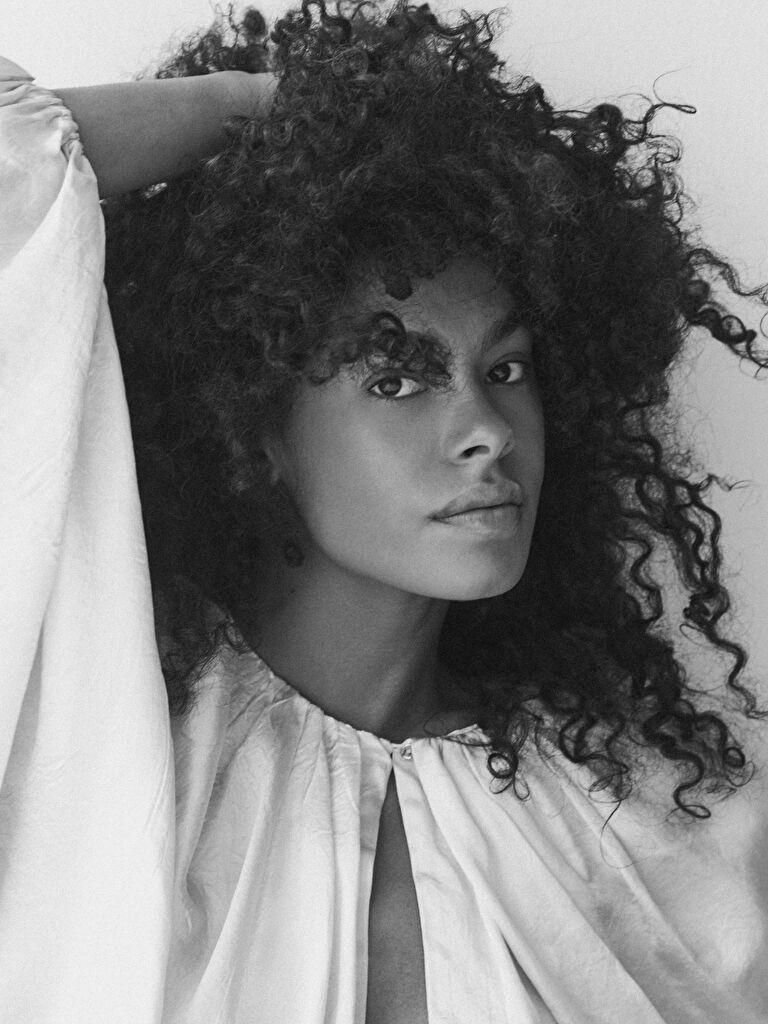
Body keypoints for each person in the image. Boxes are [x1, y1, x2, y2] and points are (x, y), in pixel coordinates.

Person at [2, 1, 768, 1021]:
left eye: (506, 368)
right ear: (255, 426)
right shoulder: (103, 748)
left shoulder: (657, 829)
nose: (486, 430)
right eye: (398, 379)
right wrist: (263, 111)